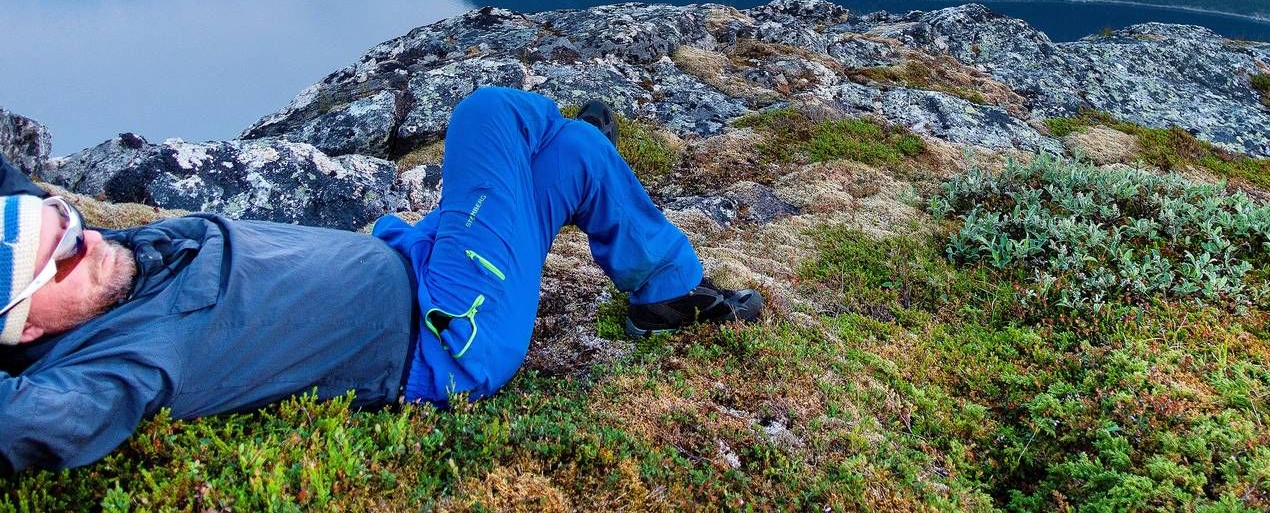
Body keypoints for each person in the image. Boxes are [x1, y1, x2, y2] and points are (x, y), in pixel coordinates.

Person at [0, 87, 762, 473]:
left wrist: (42, 231)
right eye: (57, 254)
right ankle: (555, 139)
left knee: (572, 159)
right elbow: (21, 425)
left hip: (414, 259)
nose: (80, 235)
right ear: (28, 328)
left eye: (62, 221)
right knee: (489, 113)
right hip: (446, 331)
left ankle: (660, 290)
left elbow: (19, 207)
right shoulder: (120, 365)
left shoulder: (110, 264)